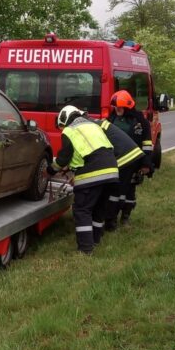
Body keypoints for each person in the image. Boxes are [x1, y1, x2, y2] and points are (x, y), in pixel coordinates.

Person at [48, 105, 120, 255]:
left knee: (82, 210)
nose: (62, 130)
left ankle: (86, 249)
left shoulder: (69, 130)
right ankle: (96, 239)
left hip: (94, 171)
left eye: (61, 126)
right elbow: (87, 151)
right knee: (99, 207)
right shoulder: (93, 125)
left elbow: (63, 158)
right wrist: (72, 169)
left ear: (64, 119)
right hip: (112, 170)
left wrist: (51, 170)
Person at [106, 90, 154, 228]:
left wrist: (146, 164)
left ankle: (125, 217)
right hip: (116, 163)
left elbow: (147, 145)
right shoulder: (111, 120)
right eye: (115, 107)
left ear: (127, 106)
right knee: (114, 192)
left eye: (120, 107)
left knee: (129, 192)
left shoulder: (140, 122)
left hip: (134, 163)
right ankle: (111, 219)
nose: (117, 110)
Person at [93, 116, 147, 232]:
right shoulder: (101, 122)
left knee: (113, 193)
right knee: (117, 192)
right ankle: (111, 220)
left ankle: (110, 222)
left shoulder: (92, 128)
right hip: (131, 156)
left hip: (124, 159)